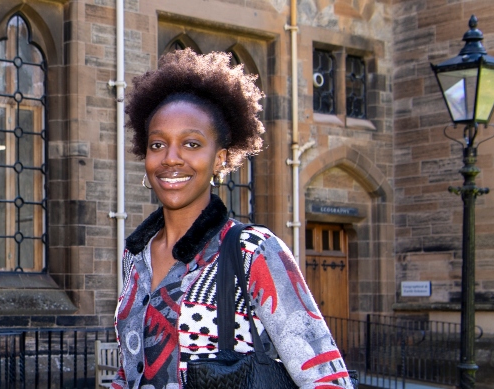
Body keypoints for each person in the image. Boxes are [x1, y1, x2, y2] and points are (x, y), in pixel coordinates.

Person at [112, 49, 354, 389]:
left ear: (219, 158)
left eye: (191, 144)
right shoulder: (136, 256)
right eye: (157, 144)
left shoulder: (253, 251)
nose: (171, 158)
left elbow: (329, 380)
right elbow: (131, 371)